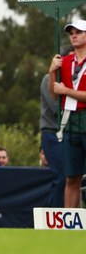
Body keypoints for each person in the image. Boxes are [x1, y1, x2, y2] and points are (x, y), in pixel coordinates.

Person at [48, 19, 86, 209]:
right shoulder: (65, 61)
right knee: (71, 176)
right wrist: (52, 72)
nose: (73, 35)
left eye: (78, 32)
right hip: (70, 121)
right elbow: (54, 93)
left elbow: (64, 92)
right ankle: (69, 222)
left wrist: (67, 91)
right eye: (71, 32)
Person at [41, 48, 69, 206]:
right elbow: (57, 108)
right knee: (61, 176)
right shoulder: (48, 79)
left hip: (69, 134)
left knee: (73, 177)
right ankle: (55, 214)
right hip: (52, 133)